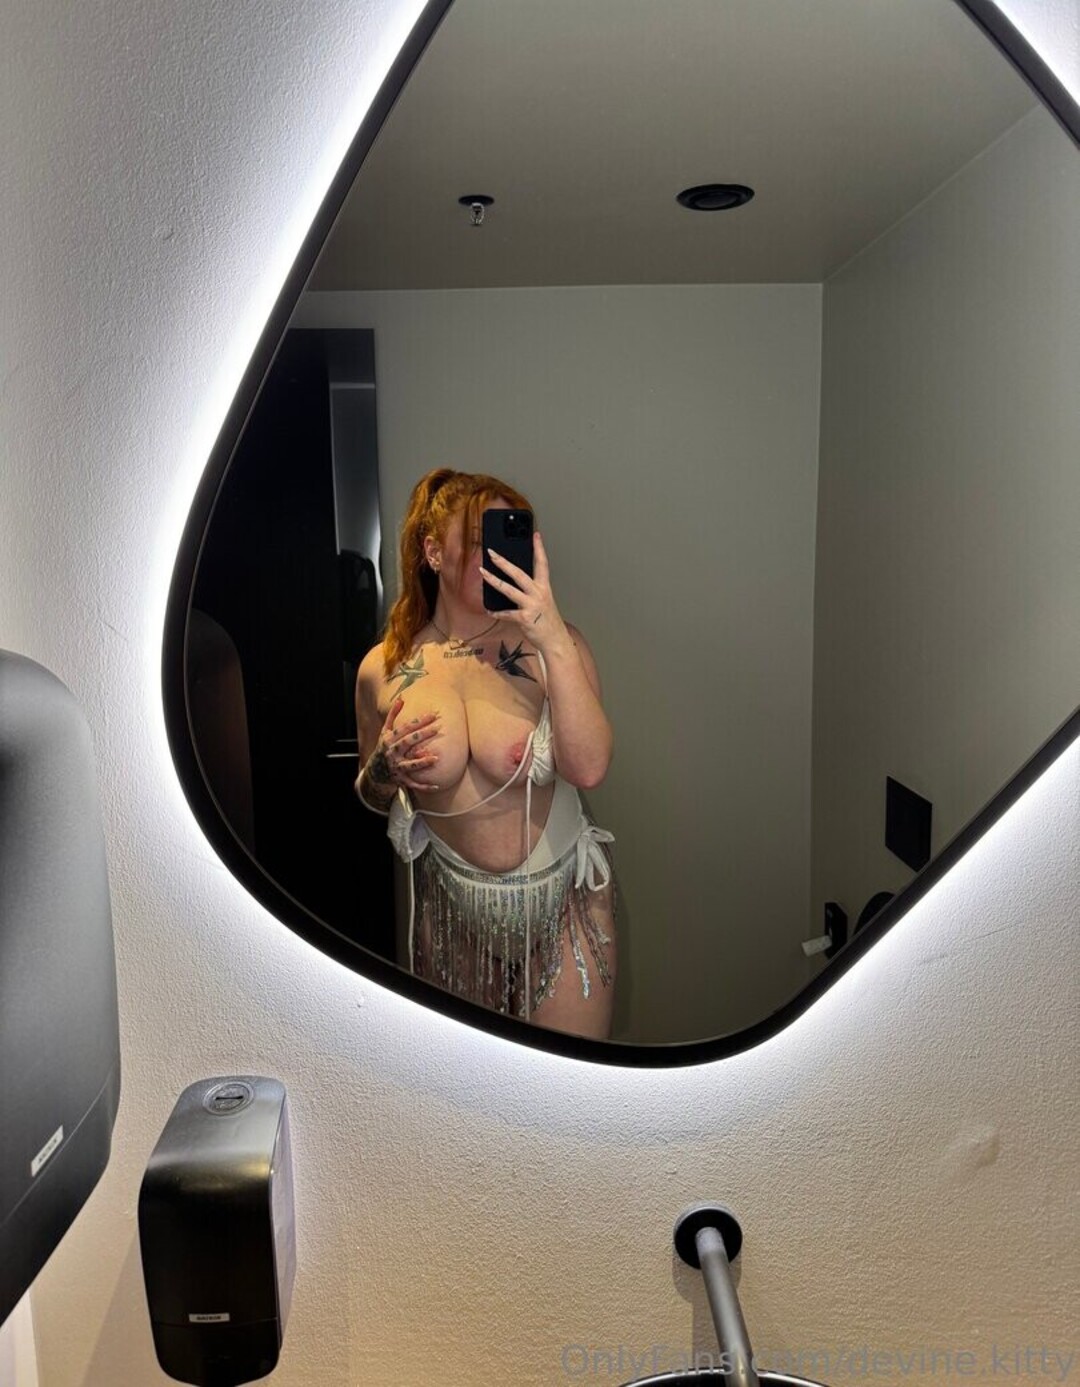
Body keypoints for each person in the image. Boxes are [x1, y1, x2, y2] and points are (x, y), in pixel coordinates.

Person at [354, 468, 616, 1039]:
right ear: (433, 553)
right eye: (478, 541)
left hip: (564, 908)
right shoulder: (384, 666)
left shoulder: (556, 647)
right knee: (470, 1087)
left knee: (570, 1083)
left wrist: (550, 635)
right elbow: (370, 794)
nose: (496, 556)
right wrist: (383, 770)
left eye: (506, 537)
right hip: (452, 914)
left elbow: (590, 767)